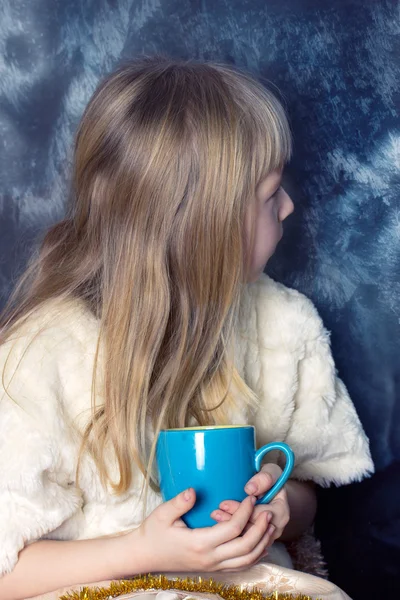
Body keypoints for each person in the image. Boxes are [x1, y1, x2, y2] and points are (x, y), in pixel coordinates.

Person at [0, 55, 373, 599]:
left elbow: (309, 492)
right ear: (203, 226)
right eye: (271, 194)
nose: (290, 207)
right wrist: (144, 552)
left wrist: (276, 510)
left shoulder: (283, 324)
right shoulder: (40, 354)